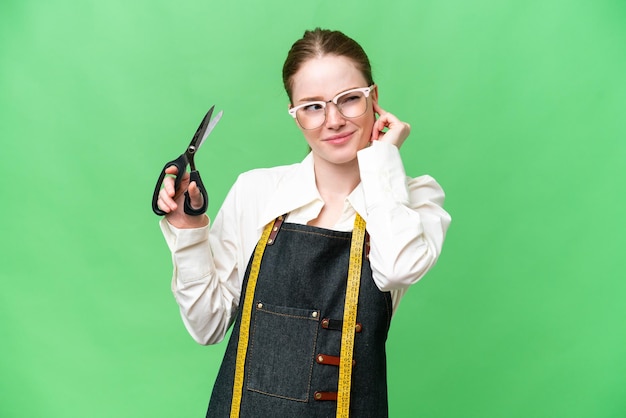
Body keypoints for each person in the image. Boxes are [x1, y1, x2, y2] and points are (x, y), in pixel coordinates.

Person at [156, 28, 451, 417]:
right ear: (295, 116)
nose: (334, 120)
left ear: (374, 99)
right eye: (313, 106)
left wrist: (382, 160)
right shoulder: (256, 191)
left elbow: (397, 269)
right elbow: (207, 326)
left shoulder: (414, 198)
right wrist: (189, 231)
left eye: (349, 100)